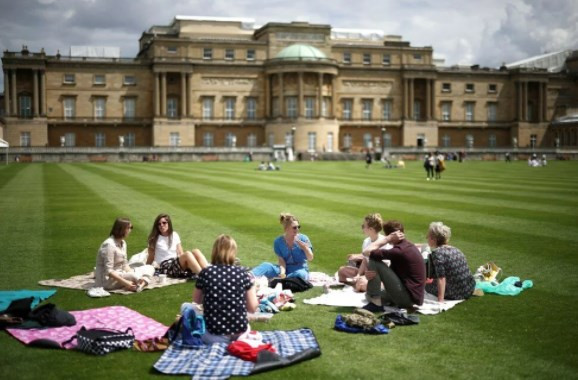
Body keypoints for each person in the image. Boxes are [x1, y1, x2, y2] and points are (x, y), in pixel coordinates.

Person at [193, 235, 258, 344]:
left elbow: (196, 301)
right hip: (240, 333)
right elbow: (252, 307)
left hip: (214, 335)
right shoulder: (242, 273)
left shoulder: (206, 273)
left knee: (186, 308)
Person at [364, 220, 426, 310]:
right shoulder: (408, 246)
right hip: (410, 295)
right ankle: (376, 299)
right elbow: (391, 273)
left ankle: (375, 305)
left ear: (390, 235)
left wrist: (387, 239)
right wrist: (371, 274)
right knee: (368, 294)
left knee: (374, 260)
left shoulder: (399, 251)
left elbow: (366, 252)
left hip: (407, 298)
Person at [94, 217, 155, 292]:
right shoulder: (109, 245)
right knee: (134, 276)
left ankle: (140, 284)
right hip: (107, 280)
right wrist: (126, 283)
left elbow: (125, 264)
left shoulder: (123, 243)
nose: (130, 230)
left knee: (149, 267)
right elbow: (109, 271)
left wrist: (133, 273)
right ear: (121, 229)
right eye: (129, 228)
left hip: (121, 273)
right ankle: (139, 284)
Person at [251, 213, 314, 281]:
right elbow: (281, 261)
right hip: (285, 268)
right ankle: (248, 277)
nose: (297, 229)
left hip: (300, 269)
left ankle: (283, 280)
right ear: (286, 228)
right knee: (266, 265)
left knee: (300, 275)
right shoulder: (278, 242)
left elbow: (310, 258)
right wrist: (282, 273)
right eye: (294, 227)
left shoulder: (303, 238)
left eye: (298, 227)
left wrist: (305, 248)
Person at [424, 222, 475, 302]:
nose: (427, 238)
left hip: (456, 293)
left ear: (434, 239)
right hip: (469, 289)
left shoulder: (437, 254)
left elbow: (441, 278)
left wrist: (440, 300)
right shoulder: (456, 249)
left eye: (428, 237)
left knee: (426, 285)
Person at [146, 214, 209, 278]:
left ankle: (210, 272)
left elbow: (181, 253)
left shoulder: (174, 234)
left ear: (169, 224)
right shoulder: (154, 239)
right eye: (159, 224)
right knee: (187, 254)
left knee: (196, 251)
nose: (161, 225)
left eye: (164, 223)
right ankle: (203, 277)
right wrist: (145, 267)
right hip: (166, 266)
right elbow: (151, 257)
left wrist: (188, 260)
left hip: (176, 262)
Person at [337, 213, 386, 292]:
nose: (362, 228)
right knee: (342, 271)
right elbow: (365, 260)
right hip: (366, 273)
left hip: (378, 276)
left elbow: (385, 268)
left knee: (361, 284)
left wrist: (366, 277)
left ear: (371, 229)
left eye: (364, 226)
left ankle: (361, 284)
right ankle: (359, 282)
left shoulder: (384, 243)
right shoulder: (366, 241)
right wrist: (358, 275)